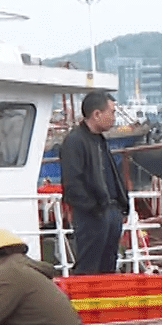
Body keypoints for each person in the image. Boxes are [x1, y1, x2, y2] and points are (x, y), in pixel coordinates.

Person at [59, 90, 131, 275]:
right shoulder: (75, 141)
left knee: (107, 266)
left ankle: (103, 301)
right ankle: (85, 302)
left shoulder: (99, 140)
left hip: (110, 211)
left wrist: (120, 206)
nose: (114, 117)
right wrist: (95, 208)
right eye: (112, 112)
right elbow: (72, 183)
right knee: (88, 267)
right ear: (97, 114)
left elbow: (108, 174)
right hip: (93, 215)